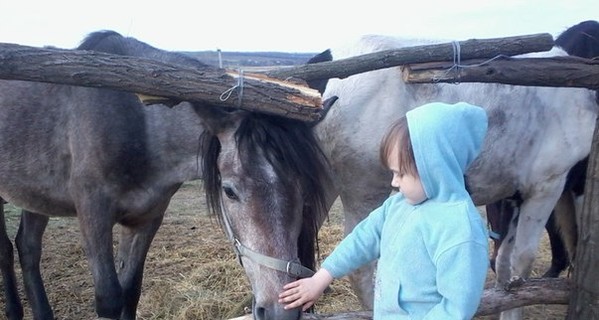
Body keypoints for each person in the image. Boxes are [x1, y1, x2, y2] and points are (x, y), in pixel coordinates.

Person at [279, 102, 490, 319]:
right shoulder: (398, 205)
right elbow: (362, 239)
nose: (394, 182)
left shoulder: (459, 231)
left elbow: (456, 308)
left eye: (400, 173)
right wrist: (322, 277)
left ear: (435, 168)